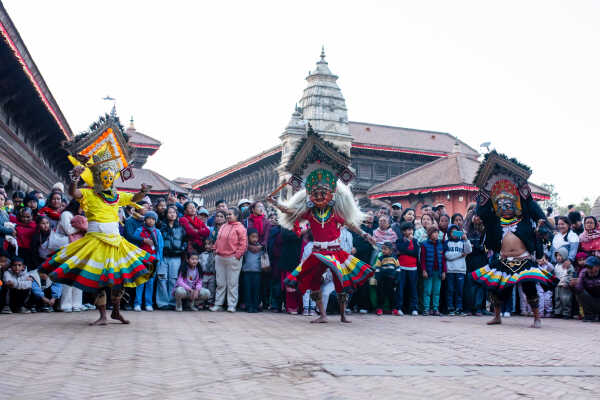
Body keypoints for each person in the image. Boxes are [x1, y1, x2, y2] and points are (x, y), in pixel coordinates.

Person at [40, 148, 156, 326]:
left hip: (116, 242)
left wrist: (143, 191)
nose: (108, 180)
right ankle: (102, 315)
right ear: (98, 178)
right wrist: (75, 179)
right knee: (98, 279)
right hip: (95, 242)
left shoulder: (117, 196)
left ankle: (116, 312)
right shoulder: (88, 193)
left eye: (111, 178)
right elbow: (73, 193)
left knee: (119, 279)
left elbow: (134, 197)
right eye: (105, 177)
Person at [271, 168, 375, 324]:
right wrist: (274, 202)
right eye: (316, 194)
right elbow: (289, 210)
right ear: (311, 197)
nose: (319, 197)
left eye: (323, 194)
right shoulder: (309, 213)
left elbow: (351, 225)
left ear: (331, 196)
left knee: (341, 283)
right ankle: (323, 315)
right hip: (318, 252)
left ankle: (342, 315)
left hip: (335, 252)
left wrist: (365, 235)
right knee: (313, 281)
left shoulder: (335, 213)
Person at [471, 151, 556, 328]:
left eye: (509, 204)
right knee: (497, 288)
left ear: (515, 205)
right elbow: (483, 210)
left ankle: (536, 318)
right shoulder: (496, 222)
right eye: (501, 205)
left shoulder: (524, 219)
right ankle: (497, 316)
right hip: (503, 261)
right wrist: (484, 195)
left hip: (523, 260)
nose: (505, 207)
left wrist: (541, 222)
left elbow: (531, 206)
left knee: (529, 287)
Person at [210, 207, 247, 313]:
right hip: (220, 257)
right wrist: (215, 250)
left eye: (230, 214)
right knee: (220, 283)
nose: (228, 216)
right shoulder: (223, 226)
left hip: (233, 258)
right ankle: (218, 304)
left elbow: (243, 243)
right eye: (227, 214)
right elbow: (218, 239)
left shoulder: (240, 228)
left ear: (237, 216)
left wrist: (237, 256)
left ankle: (231, 305)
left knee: (232, 283)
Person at [56, 199, 86, 313]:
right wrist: (82, 226)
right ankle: (66, 304)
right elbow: (68, 230)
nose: (83, 208)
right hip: (67, 247)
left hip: (78, 247)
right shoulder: (66, 214)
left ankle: (77, 304)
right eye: (82, 205)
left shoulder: (78, 215)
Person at [157, 205, 186, 310]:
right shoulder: (161, 227)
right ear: (166, 214)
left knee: (173, 280)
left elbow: (185, 241)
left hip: (176, 257)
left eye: (174, 212)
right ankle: (162, 303)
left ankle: (173, 302)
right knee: (162, 279)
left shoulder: (181, 228)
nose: (172, 214)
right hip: (163, 256)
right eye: (169, 212)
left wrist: (182, 248)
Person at [133, 211, 163, 312]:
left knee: (150, 282)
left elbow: (160, 246)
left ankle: (148, 303)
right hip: (141, 258)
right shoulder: (139, 230)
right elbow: (134, 244)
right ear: (145, 219)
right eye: (149, 218)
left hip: (153, 258)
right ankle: (137, 303)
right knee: (140, 281)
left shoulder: (157, 232)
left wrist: (158, 259)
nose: (151, 221)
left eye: (153, 219)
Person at [464, 211, 489, 316]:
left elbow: (486, 247)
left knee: (480, 284)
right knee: (470, 284)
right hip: (470, 260)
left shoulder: (485, 230)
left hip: (481, 260)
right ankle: (469, 308)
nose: (477, 218)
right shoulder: (465, 231)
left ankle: (479, 308)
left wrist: (481, 247)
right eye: (475, 216)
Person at [445, 224, 472, 315]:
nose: (454, 233)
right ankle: (450, 308)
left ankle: (459, 308)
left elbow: (469, 251)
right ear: (449, 233)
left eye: (456, 231)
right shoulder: (446, 242)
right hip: (450, 270)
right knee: (450, 290)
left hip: (461, 270)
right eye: (452, 232)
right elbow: (447, 256)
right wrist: (460, 254)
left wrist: (466, 239)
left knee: (459, 291)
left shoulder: (462, 242)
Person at [420, 226, 446, 316]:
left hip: (438, 271)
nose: (436, 234)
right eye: (434, 233)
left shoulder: (440, 244)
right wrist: (424, 270)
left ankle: (435, 309)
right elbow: (422, 259)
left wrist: (443, 271)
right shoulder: (424, 244)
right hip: (428, 271)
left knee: (436, 291)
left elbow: (443, 259)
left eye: (437, 233)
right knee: (427, 291)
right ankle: (426, 309)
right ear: (429, 234)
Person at [395, 221, 419, 316]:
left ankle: (414, 308)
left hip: (413, 268)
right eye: (408, 230)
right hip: (402, 268)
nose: (410, 231)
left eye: (411, 229)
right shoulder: (400, 241)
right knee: (400, 288)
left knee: (413, 289)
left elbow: (415, 253)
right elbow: (401, 249)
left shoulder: (416, 241)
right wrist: (408, 242)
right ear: (403, 231)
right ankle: (399, 307)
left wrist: (405, 251)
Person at [374, 242, 400, 316]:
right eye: (382, 249)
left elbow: (398, 269)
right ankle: (379, 309)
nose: (383, 250)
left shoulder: (394, 258)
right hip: (382, 280)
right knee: (381, 294)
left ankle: (394, 309)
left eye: (385, 249)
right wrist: (377, 278)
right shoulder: (380, 258)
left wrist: (397, 279)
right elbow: (377, 269)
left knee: (392, 295)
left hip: (391, 280)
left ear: (391, 250)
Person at [572, 256, 600, 322]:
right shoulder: (584, 272)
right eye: (587, 267)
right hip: (590, 299)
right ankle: (589, 315)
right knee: (579, 292)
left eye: (590, 267)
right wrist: (573, 285)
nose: (588, 269)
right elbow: (578, 287)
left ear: (598, 267)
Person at [241, 228, 263, 313]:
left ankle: (255, 305)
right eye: (252, 237)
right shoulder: (245, 247)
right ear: (248, 237)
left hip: (257, 272)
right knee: (247, 289)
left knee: (256, 289)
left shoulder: (260, 247)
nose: (255, 239)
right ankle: (248, 306)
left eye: (256, 237)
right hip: (247, 272)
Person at [552, 247, 574, 318]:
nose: (558, 257)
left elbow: (571, 274)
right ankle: (557, 312)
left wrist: (567, 282)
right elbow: (554, 274)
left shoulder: (568, 265)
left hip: (565, 285)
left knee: (566, 299)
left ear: (564, 255)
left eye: (560, 255)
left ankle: (566, 313)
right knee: (557, 299)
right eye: (557, 256)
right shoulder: (556, 265)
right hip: (558, 285)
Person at [199, 238, 216, 307]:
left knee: (212, 289)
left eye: (209, 244)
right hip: (204, 274)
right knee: (203, 287)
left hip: (212, 275)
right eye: (206, 244)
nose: (207, 246)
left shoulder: (215, 254)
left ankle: (210, 302)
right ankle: (201, 302)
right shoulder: (202, 255)